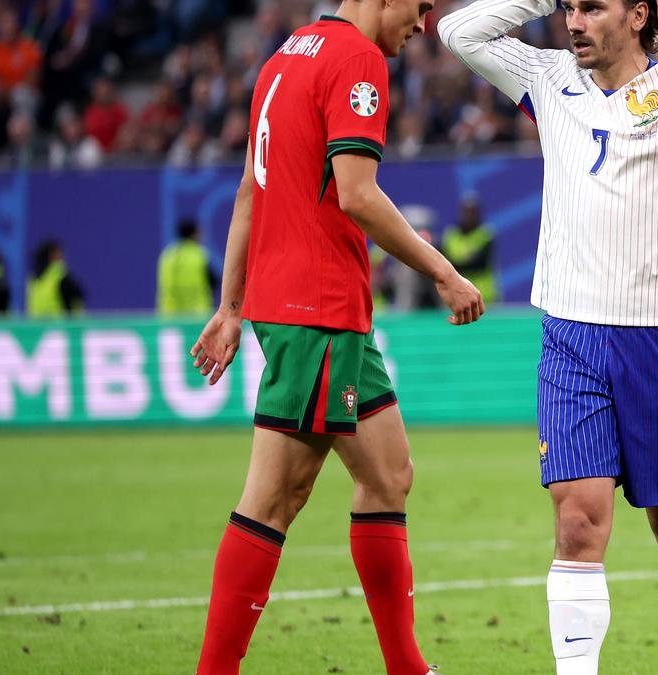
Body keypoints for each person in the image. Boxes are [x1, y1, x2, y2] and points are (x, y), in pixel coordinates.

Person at [440, 0, 658, 673]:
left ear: (638, 15)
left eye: (592, 7)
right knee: (577, 522)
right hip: (572, 334)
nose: (574, 22)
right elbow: (456, 31)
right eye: (569, 8)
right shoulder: (547, 77)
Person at [187, 0, 484, 672]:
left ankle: (408, 667)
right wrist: (443, 272)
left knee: (389, 475)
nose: (424, 23)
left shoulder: (285, 56)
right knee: (274, 498)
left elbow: (249, 190)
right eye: (421, 6)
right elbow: (357, 193)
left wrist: (231, 305)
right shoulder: (358, 59)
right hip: (315, 307)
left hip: (322, 309)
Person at [442, 192, 498, 304]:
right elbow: (444, 262)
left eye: (473, 212)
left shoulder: (486, 234)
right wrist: (466, 260)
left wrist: (456, 264)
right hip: (456, 297)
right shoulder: (451, 235)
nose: (469, 215)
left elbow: (479, 264)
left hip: (484, 298)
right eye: (466, 211)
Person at [157, 219, 216, 316]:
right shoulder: (199, 254)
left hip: (169, 315)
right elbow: (213, 281)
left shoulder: (168, 255)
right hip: (198, 314)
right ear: (193, 234)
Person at [26, 240, 86, 317]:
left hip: (36, 324)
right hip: (59, 323)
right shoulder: (61, 276)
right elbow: (77, 301)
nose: (62, 257)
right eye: (59, 254)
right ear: (51, 255)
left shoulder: (32, 279)